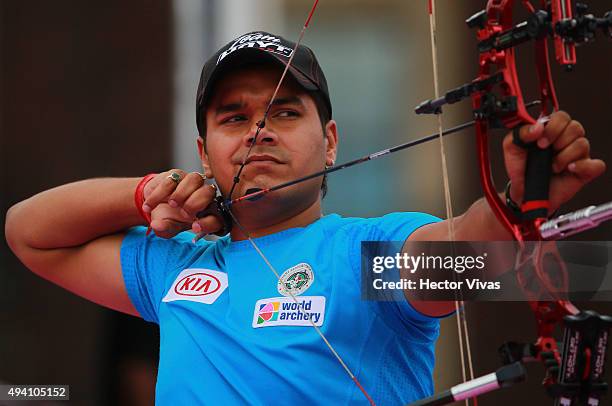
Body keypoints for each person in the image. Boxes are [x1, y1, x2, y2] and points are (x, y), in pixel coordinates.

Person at [4, 31, 605, 405]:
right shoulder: (174, 267)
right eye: (233, 118)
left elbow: (468, 259)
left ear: (332, 141)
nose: (259, 129)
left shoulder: (360, 254)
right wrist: (149, 194)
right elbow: (29, 233)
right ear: (204, 150)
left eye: (285, 112)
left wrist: (515, 200)